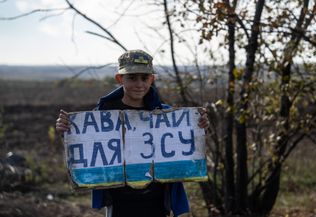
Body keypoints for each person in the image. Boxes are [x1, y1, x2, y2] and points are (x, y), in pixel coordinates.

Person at [56, 49, 209, 217]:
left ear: (152, 79)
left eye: (145, 78)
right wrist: (66, 129)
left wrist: (198, 126)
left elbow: (185, 141)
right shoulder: (102, 115)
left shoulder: (164, 114)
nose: (139, 84)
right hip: (119, 201)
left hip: (157, 200)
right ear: (120, 78)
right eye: (132, 77)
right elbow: (84, 142)